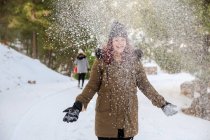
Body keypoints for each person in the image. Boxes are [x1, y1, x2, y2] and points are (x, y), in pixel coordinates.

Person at [63, 21, 178, 140]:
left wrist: (163, 104)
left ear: (126, 41)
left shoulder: (134, 61)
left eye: (123, 39)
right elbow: (92, 86)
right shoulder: (102, 61)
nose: (120, 43)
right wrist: (78, 105)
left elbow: (145, 85)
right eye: (116, 39)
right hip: (106, 121)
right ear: (111, 41)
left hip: (128, 120)